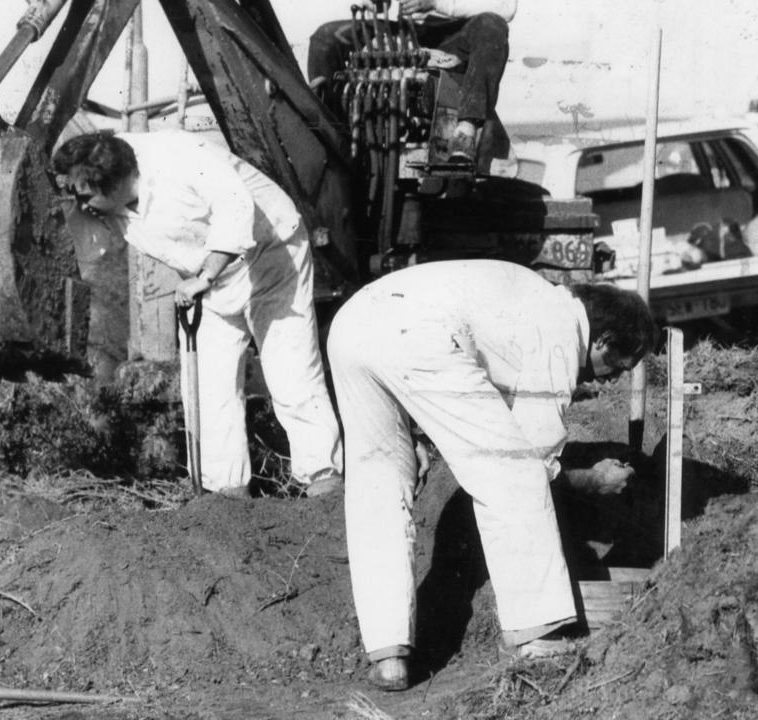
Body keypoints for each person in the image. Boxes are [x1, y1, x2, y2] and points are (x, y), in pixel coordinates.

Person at [326, 259, 657, 690]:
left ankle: (388, 653)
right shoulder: (559, 332)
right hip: (418, 336)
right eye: (623, 366)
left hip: (354, 324)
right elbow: (534, 461)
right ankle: (538, 634)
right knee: (512, 472)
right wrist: (594, 482)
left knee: (379, 479)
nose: (614, 380)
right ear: (604, 341)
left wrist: (414, 428)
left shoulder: (530, 300)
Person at [51, 130, 344, 497]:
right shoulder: (100, 173)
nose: (82, 206)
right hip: (210, 281)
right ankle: (225, 498)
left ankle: (324, 483)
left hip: (270, 255)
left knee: (291, 371)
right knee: (207, 390)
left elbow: (235, 206)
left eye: (85, 196)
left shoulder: (179, 157)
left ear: (111, 186)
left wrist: (205, 276)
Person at [307, 0, 516, 164]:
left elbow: (505, 6)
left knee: (492, 27)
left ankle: (465, 131)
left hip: (458, 31)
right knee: (326, 38)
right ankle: (330, 133)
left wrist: (436, 3)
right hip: (405, 31)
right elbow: (381, 6)